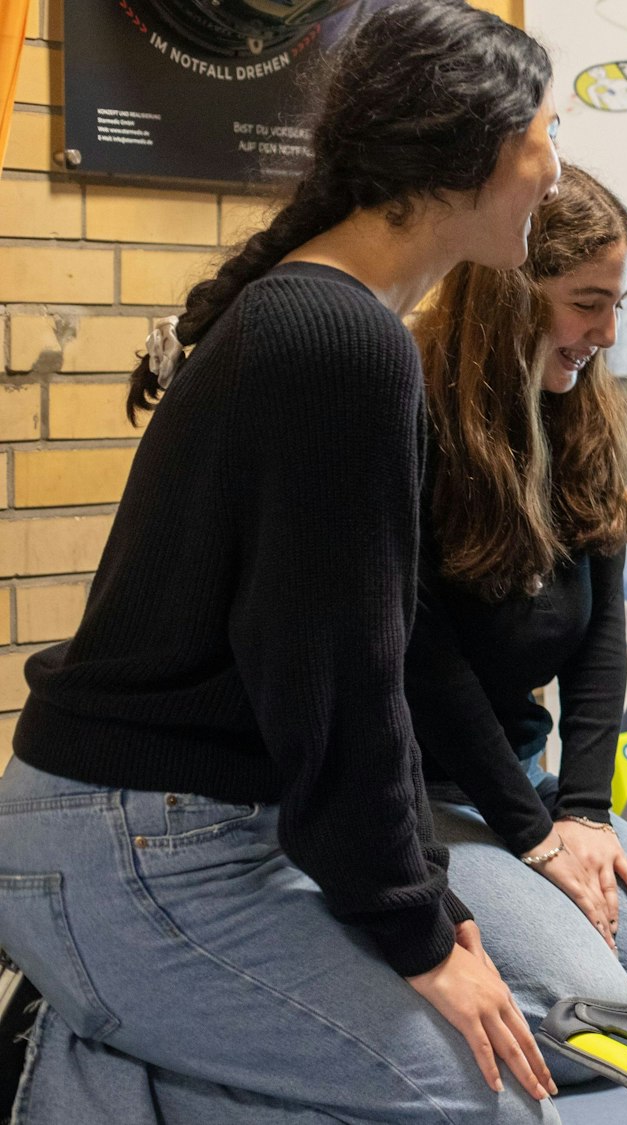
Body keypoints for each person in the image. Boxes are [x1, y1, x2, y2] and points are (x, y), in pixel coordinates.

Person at [0, 3, 563, 1120]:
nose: (557, 169)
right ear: (477, 148)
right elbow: (337, 679)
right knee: (481, 1101)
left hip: (176, 827)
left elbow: (367, 670)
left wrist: (431, 911)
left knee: (521, 1028)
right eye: (549, 132)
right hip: (134, 843)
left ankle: (101, 1043)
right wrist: (414, 929)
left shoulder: (333, 322)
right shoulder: (337, 341)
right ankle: (68, 1059)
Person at [406, 167, 627, 1088]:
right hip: (422, 791)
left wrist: (585, 812)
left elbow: (601, 639)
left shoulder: (593, 412)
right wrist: (533, 837)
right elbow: (426, 668)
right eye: (587, 303)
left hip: (526, 781)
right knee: (597, 1026)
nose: (606, 333)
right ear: (511, 286)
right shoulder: (415, 416)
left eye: (618, 304)